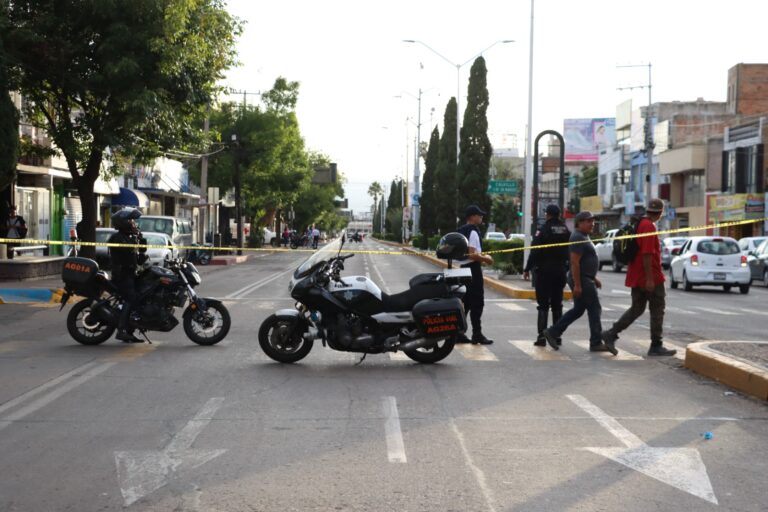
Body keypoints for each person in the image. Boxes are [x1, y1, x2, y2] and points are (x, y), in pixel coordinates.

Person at [601, 199, 677, 356]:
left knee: (637, 308)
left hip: (637, 273)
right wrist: (650, 278)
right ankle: (656, 344)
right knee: (657, 309)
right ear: (661, 212)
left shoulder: (640, 223)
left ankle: (611, 333)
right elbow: (647, 254)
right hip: (650, 276)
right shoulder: (648, 226)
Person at [543, 211, 617, 355]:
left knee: (578, 310)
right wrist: (578, 284)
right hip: (581, 279)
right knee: (595, 309)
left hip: (585, 278)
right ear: (580, 223)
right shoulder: (577, 237)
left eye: (593, 221)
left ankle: (553, 332)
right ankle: (595, 342)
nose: (592, 224)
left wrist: (594, 278)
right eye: (589, 221)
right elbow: (575, 263)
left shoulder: (584, 236)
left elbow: (584, 262)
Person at [523, 204, 571, 346]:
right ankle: (556, 335)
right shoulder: (566, 230)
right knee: (557, 305)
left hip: (544, 272)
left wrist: (527, 269)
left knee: (543, 305)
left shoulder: (542, 230)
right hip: (560, 272)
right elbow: (570, 250)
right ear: (559, 214)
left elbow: (535, 251)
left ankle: (542, 337)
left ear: (547, 214)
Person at [455, 205, 495, 345]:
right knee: (477, 302)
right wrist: (486, 259)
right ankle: (477, 334)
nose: (481, 217)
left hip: (463, 268)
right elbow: (472, 254)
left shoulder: (462, 231)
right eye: (479, 215)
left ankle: (459, 332)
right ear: (472, 217)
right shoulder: (472, 232)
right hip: (473, 269)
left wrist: (481, 256)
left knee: (466, 302)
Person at [108, 208, 148, 343]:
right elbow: (128, 252)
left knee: (141, 298)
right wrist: (135, 240)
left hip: (131, 274)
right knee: (131, 299)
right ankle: (121, 330)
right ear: (123, 223)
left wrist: (140, 238)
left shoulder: (129, 237)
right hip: (122, 276)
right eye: (130, 221)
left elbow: (141, 253)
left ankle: (130, 331)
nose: (133, 223)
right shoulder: (117, 238)